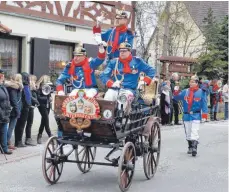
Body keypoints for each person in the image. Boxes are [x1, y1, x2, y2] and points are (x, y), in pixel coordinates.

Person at [173, 75, 208, 157]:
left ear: (196, 83)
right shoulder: (185, 91)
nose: (191, 83)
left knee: (194, 131)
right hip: (186, 115)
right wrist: (176, 90)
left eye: (193, 82)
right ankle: (190, 146)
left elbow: (204, 104)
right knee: (188, 133)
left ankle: (194, 148)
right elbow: (177, 97)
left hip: (196, 115)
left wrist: (204, 116)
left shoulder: (201, 92)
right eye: (190, 82)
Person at [5, 73, 23, 150]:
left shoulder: (11, 86)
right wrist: (17, 110)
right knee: (11, 127)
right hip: (13, 110)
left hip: (10, 108)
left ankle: (7, 143)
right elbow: (14, 100)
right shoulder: (14, 88)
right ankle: (5, 143)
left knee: (6, 126)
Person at [14, 72, 32, 147]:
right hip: (24, 108)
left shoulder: (23, 86)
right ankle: (19, 142)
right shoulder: (25, 87)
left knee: (19, 125)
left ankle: (18, 141)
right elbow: (27, 98)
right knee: (21, 125)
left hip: (23, 107)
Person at [36, 75, 53, 144]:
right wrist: (47, 98)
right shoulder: (39, 88)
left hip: (47, 105)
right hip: (42, 105)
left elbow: (49, 95)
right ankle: (50, 135)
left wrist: (50, 98)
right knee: (46, 119)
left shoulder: (48, 87)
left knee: (44, 120)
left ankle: (39, 135)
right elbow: (38, 98)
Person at [0, 70, 13, 154]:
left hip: (5, 113)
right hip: (1, 113)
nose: (3, 77)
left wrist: (9, 109)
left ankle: (4, 148)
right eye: (2, 75)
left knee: (4, 131)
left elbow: (7, 100)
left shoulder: (3, 86)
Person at [25, 75, 39, 146]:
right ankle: (28, 138)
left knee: (29, 123)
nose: (35, 82)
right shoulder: (29, 88)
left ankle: (28, 138)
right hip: (29, 107)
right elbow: (30, 96)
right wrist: (36, 101)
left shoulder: (33, 89)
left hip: (32, 107)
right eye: (34, 80)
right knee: (29, 123)